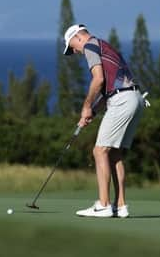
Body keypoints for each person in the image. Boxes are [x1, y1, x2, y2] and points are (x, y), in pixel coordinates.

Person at [62, 24, 147, 218]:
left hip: (122, 100)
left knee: (99, 150)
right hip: (136, 99)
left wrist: (85, 106)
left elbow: (98, 80)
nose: (74, 51)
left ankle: (103, 205)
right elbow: (109, 89)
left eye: (72, 47)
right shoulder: (103, 45)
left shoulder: (90, 46)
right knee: (114, 154)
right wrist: (92, 111)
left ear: (78, 37)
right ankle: (121, 206)